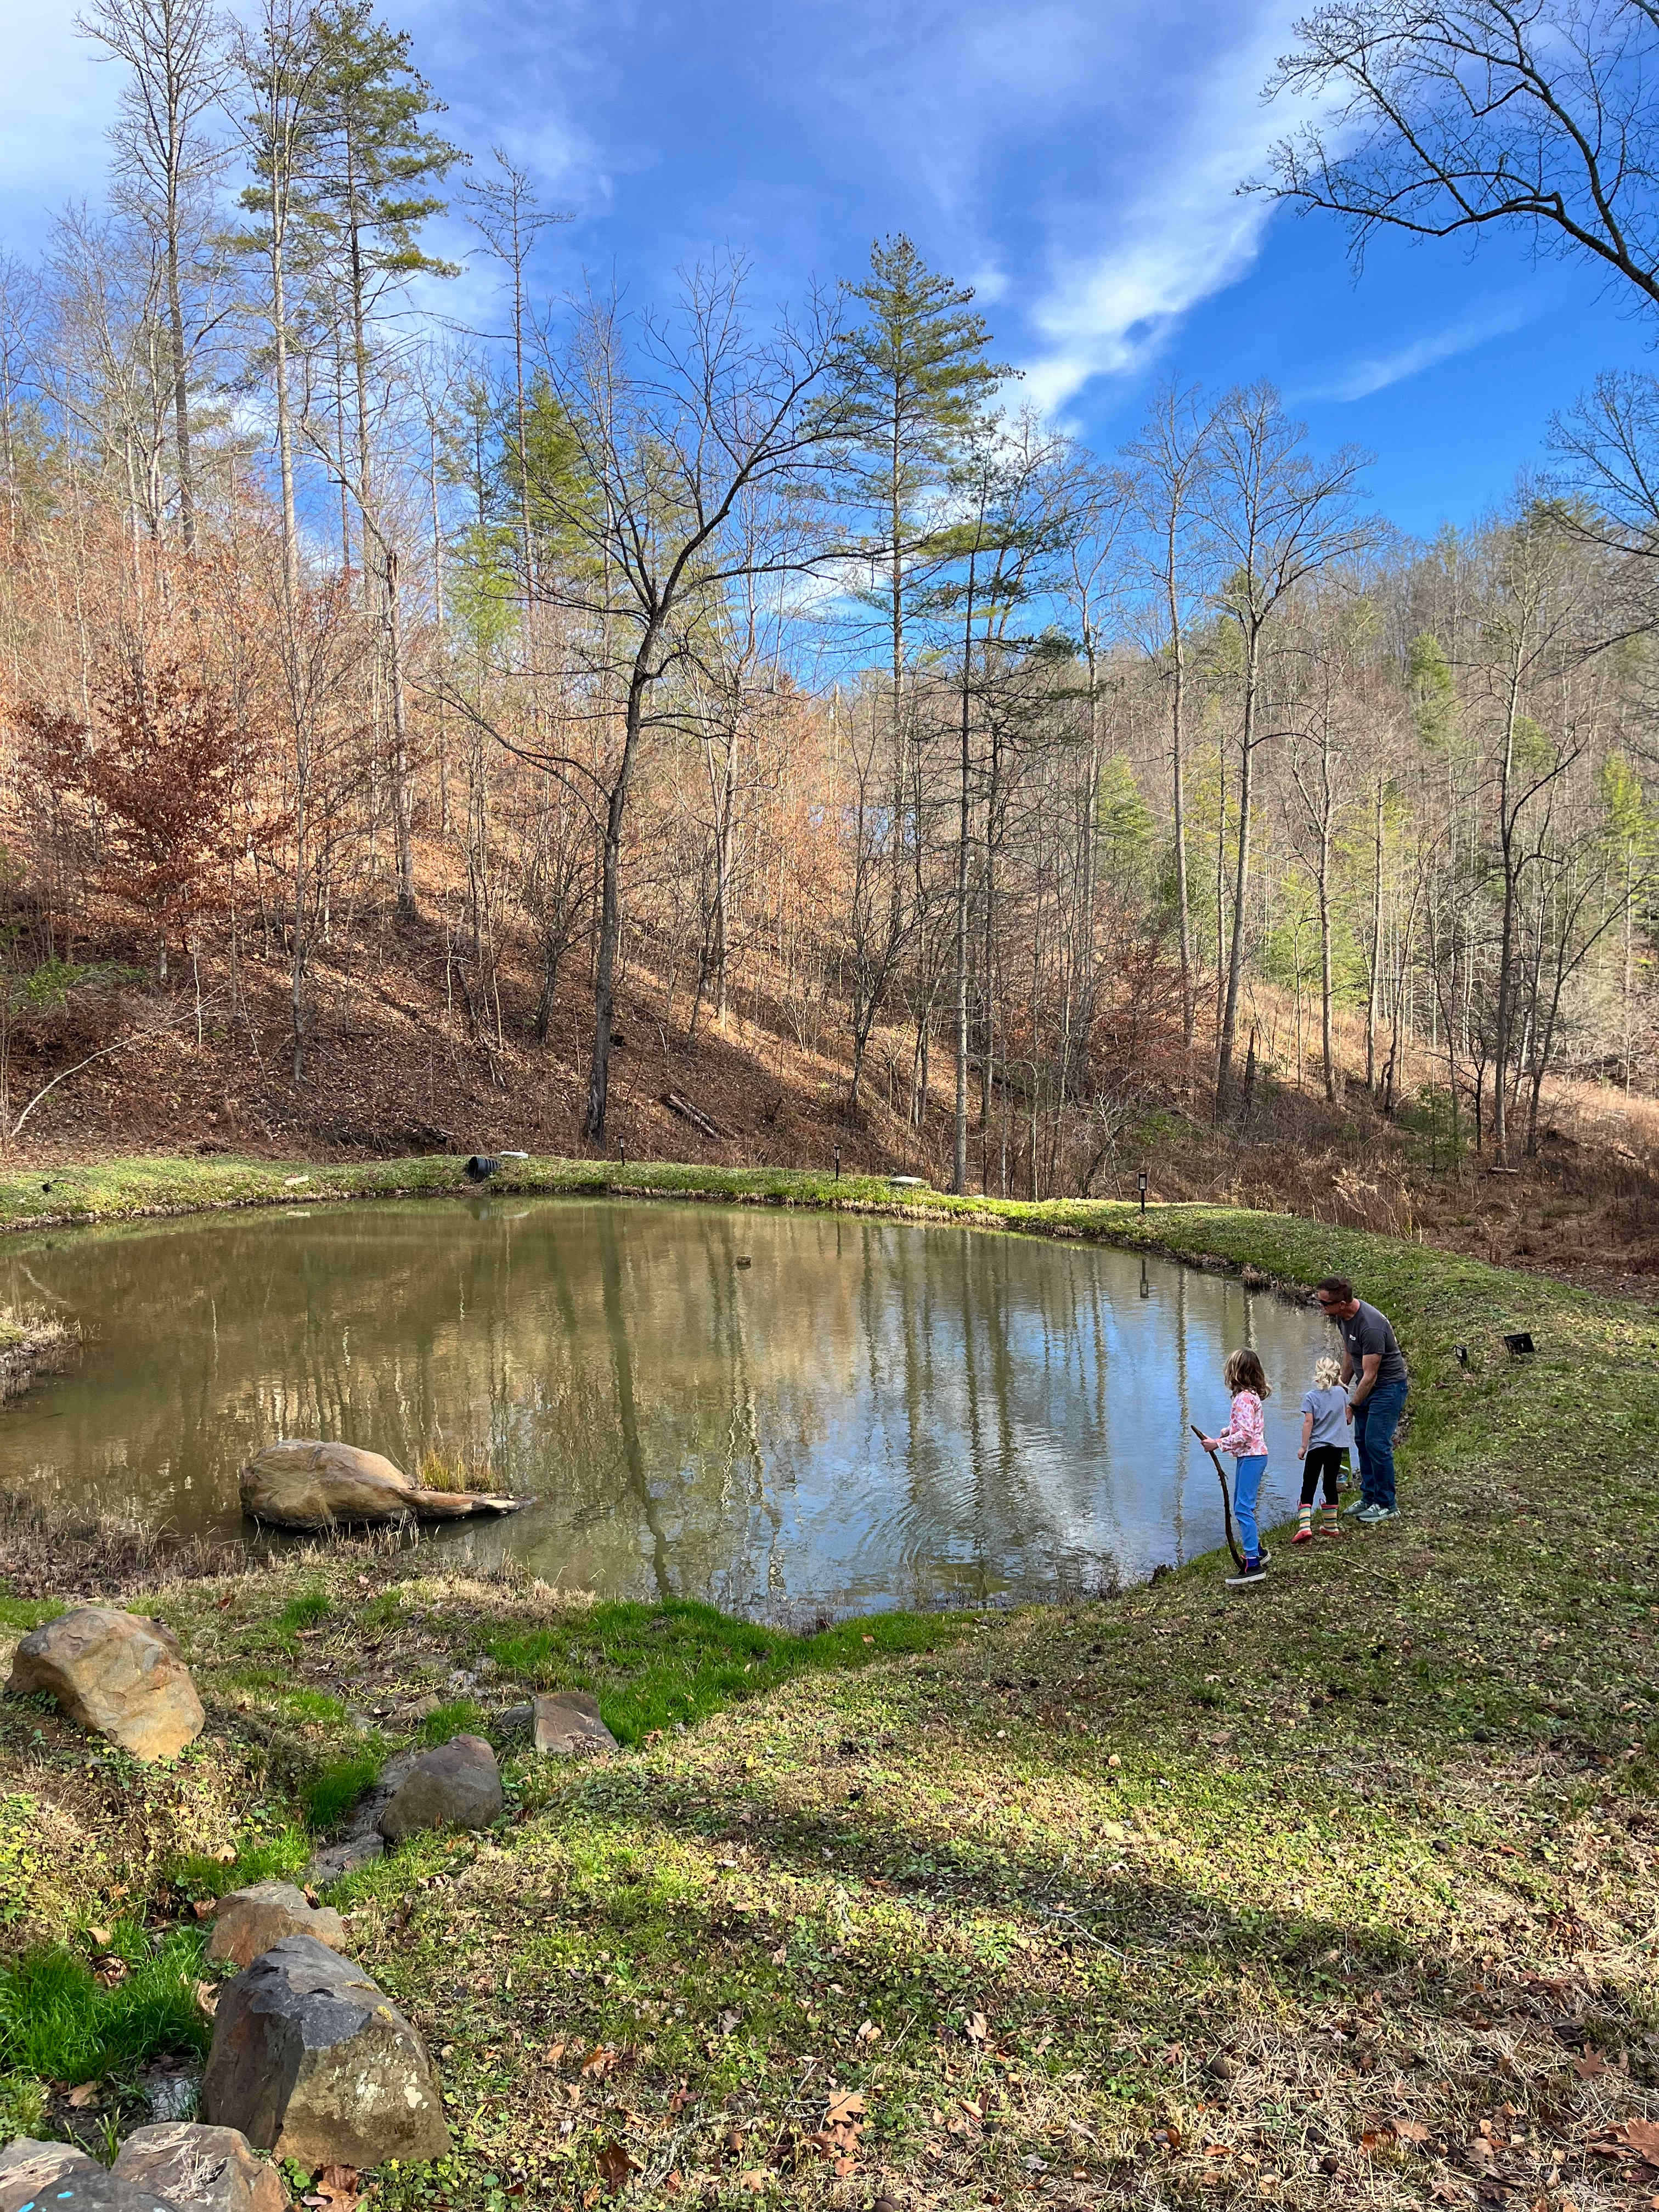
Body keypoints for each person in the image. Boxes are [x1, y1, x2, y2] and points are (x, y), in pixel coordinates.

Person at [1314, 1275, 1408, 1524]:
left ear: (1342, 1303)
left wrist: (1352, 1407)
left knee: (1377, 1444)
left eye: (1324, 1304)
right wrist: (1341, 1387)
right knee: (1362, 1442)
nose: (1321, 1307)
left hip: (1387, 1389)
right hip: (1367, 1387)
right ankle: (1369, 1497)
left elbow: (1370, 1376)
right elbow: (1349, 1353)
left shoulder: (1371, 1325)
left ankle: (1387, 1504)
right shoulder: (1342, 1319)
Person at [1200, 1347, 1273, 1589]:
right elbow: (1246, 1427)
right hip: (1254, 1456)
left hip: (1252, 1457)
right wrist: (1228, 1430)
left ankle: (1253, 1564)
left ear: (1237, 1373)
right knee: (1244, 1506)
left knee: (1243, 1508)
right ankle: (1259, 1551)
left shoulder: (1243, 1398)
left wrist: (1217, 1444)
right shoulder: (1251, 1396)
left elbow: (1246, 1434)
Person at [1294, 1355, 1348, 1543]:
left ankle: (1304, 1528)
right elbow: (1346, 1416)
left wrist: (1303, 1447)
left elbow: (1309, 1422)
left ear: (1317, 1375)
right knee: (1330, 1484)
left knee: (1309, 1483)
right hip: (1336, 1447)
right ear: (1337, 1375)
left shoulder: (1311, 1397)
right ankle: (1331, 1527)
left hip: (1317, 1447)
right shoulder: (1342, 1394)